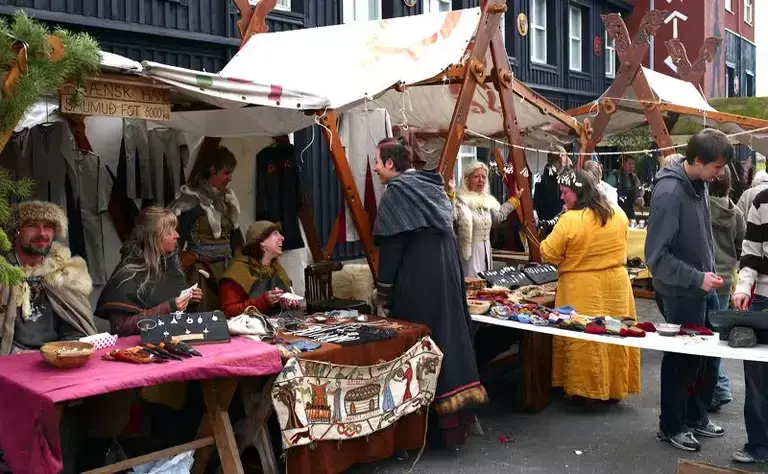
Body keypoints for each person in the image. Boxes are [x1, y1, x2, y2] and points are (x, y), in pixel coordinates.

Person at [373, 133, 487, 449]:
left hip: (419, 280)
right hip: (447, 273)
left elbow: (393, 248)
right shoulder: (431, 185)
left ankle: (426, 431)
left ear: (391, 163)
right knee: (451, 338)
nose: (375, 168)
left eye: (378, 162)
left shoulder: (397, 192)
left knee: (421, 345)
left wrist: (384, 292)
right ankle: (455, 424)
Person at [645, 129, 732, 452]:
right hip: (680, 292)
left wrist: (706, 274)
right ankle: (672, 426)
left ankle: (695, 417)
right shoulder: (669, 193)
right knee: (682, 361)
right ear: (697, 161)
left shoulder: (699, 184)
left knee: (706, 360)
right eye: (717, 168)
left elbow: (701, 236)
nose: (719, 174)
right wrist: (697, 278)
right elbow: (656, 257)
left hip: (701, 288)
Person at [540, 169, 641, 404]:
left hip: (581, 288)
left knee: (585, 339)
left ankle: (586, 392)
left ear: (579, 192)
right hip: (617, 285)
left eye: (565, 193)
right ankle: (614, 388)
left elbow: (548, 252)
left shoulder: (570, 220)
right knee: (614, 334)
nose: (562, 198)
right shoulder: (617, 213)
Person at [0, 201, 96, 354]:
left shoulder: (66, 272)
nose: (42, 233)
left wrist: (62, 353)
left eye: (49, 226)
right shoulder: (4, 272)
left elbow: (76, 329)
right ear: (16, 231)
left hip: (60, 356)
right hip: (11, 360)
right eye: (32, 225)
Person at [96, 206, 203, 337]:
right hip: (139, 348)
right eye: (170, 232)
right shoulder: (127, 274)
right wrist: (168, 308)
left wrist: (190, 299)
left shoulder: (170, 265)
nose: (177, 235)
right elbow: (121, 327)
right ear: (154, 238)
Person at [171, 146, 243, 312]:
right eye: (226, 172)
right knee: (203, 317)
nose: (230, 178)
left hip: (227, 268)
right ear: (212, 170)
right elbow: (175, 240)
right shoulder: (191, 201)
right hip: (200, 269)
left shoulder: (229, 200)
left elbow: (236, 238)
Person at [731, 185, 768, 464]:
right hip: (762, 301)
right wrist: (743, 287)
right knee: (756, 379)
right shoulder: (761, 201)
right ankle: (758, 445)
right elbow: (750, 252)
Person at [446, 161, 522, 277]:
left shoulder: (487, 201)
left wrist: (514, 200)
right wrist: (450, 194)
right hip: (468, 255)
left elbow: (498, 217)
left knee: (486, 288)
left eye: (483, 177)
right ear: (467, 179)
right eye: (476, 177)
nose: (480, 180)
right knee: (472, 287)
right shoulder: (460, 201)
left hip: (486, 252)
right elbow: (450, 218)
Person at [708, 166, 744, 412]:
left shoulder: (701, 207)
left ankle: (719, 386)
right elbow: (741, 245)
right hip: (726, 281)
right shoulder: (737, 213)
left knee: (703, 338)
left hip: (705, 278)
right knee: (714, 337)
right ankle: (716, 387)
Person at [219, 221, 291, 317]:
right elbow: (228, 312)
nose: (282, 238)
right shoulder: (237, 271)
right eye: (275, 234)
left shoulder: (276, 268)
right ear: (261, 241)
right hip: (248, 329)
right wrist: (263, 301)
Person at [533, 145, 568, 223]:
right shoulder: (541, 181)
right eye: (559, 162)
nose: (562, 165)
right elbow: (537, 205)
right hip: (548, 224)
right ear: (552, 162)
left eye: (564, 162)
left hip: (563, 223)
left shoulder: (566, 178)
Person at [607, 154, 643, 219]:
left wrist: (639, 199)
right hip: (616, 214)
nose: (632, 166)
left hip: (629, 214)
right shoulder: (614, 177)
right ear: (623, 164)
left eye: (633, 164)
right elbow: (607, 196)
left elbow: (639, 192)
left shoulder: (634, 178)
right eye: (629, 164)